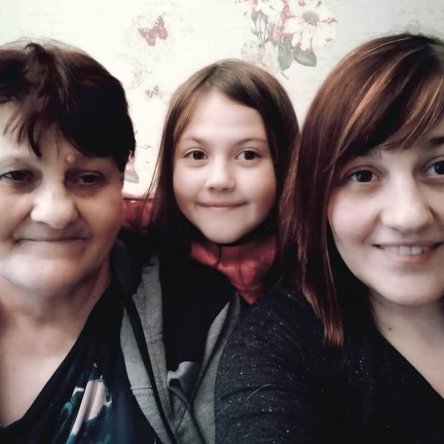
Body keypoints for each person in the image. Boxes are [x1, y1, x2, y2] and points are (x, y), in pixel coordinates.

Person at [215, 32, 444, 443]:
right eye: (363, 175)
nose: (409, 216)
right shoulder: (278, 345)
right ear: (318, 197)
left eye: (440, 168)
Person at [121, 59, 299, 443]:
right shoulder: (146, 238)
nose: (219, 180)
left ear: (285, 163)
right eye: (197, 155)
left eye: (248, 155)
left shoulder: (319, 267)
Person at [0, 39, 163, 443]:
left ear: (121, 187)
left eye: (88, 178)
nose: (56, 213)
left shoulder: (194, 320)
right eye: (17, 176)